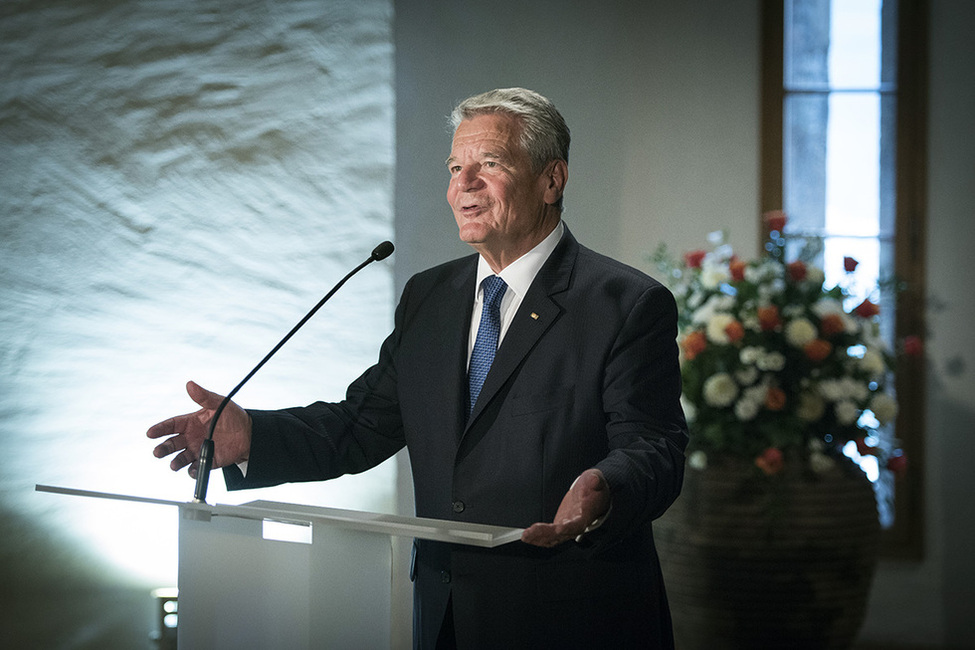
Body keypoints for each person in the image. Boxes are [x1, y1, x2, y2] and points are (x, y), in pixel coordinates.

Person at [148, 87, 688, 649]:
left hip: (573, 619)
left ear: (552, 180)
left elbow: (655, 445)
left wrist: (606, 486)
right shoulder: (429, 297)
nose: (464, 184)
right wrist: (253, 436)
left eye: (490, 164)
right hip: (444, 616)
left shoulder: (624, 304)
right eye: (456, 167)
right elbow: (361, 426)